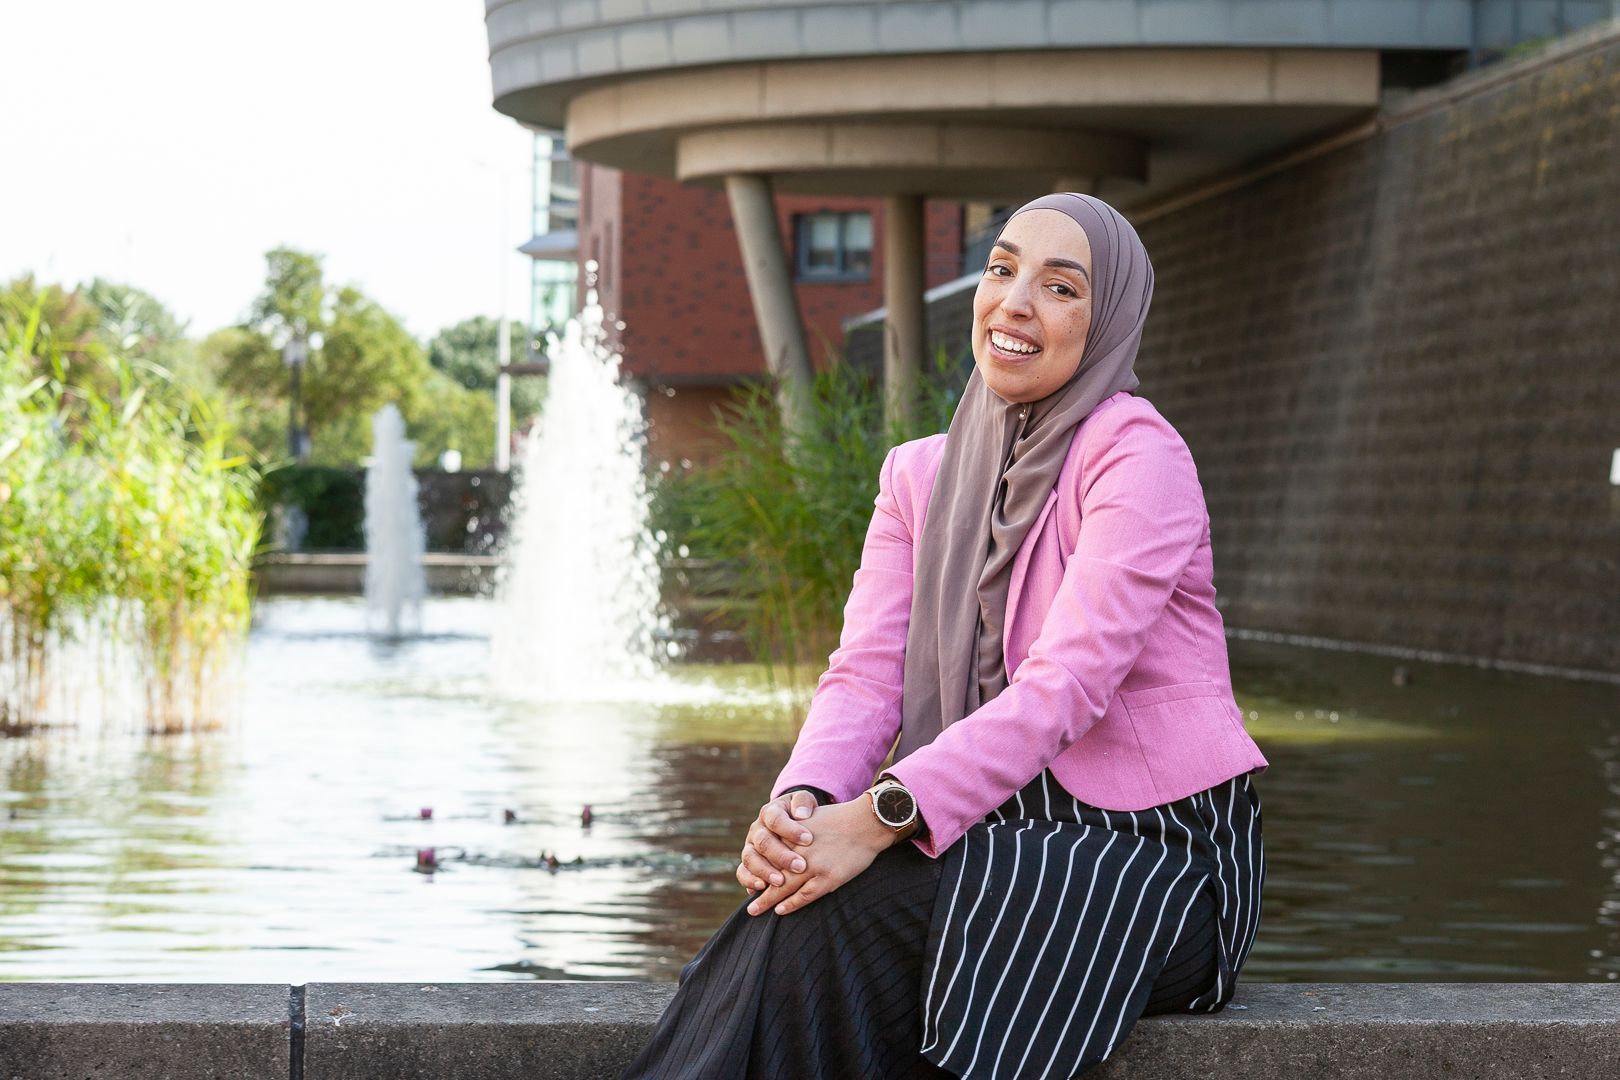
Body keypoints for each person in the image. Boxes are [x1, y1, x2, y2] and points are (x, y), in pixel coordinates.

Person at [622, 193, 1270, 1079]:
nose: (1015, 303)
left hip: (1153, 855)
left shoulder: (1138, 455)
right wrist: (806, 804)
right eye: (1001, 269)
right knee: (798, 900)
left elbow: (1065, 686)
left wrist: (885, 814)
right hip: (984, 828)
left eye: (1061, 287)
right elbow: (863, 677)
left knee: (850, 904)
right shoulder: (916, 475)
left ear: (1109, 316)